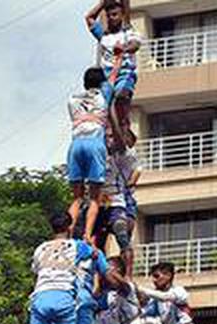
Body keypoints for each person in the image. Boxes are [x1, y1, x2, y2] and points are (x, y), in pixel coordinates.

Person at [86, 0, 141, 147]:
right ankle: (115, 135)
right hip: (107, 78)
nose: (111, 18)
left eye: (115, 14)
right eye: (109, 15)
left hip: (124, 73)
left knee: (120, 96)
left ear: (122, 15)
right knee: (104, 108)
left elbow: (135, 45)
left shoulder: (129, 32)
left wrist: (124, 49)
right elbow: (89, 18)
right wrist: (102, 4)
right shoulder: (103, 36)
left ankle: (123, 128)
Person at [68, 67, 109, 246]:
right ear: (101, 82)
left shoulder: (72, 99)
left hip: (76, 145)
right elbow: (112, 79)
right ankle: (87, 234)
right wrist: (117, 60)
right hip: (95, 144)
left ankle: (67, 233)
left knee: (77, 197)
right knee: (94, 198)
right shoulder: (104, 94)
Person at [104, 141, 141, 270]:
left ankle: (127, 273)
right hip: (100, 202)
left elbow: (138, 170)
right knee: (97, 240)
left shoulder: (124, 153)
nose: (109, 140)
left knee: (122, 232)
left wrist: (128, 185)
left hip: (120, 199)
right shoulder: (98, 152)